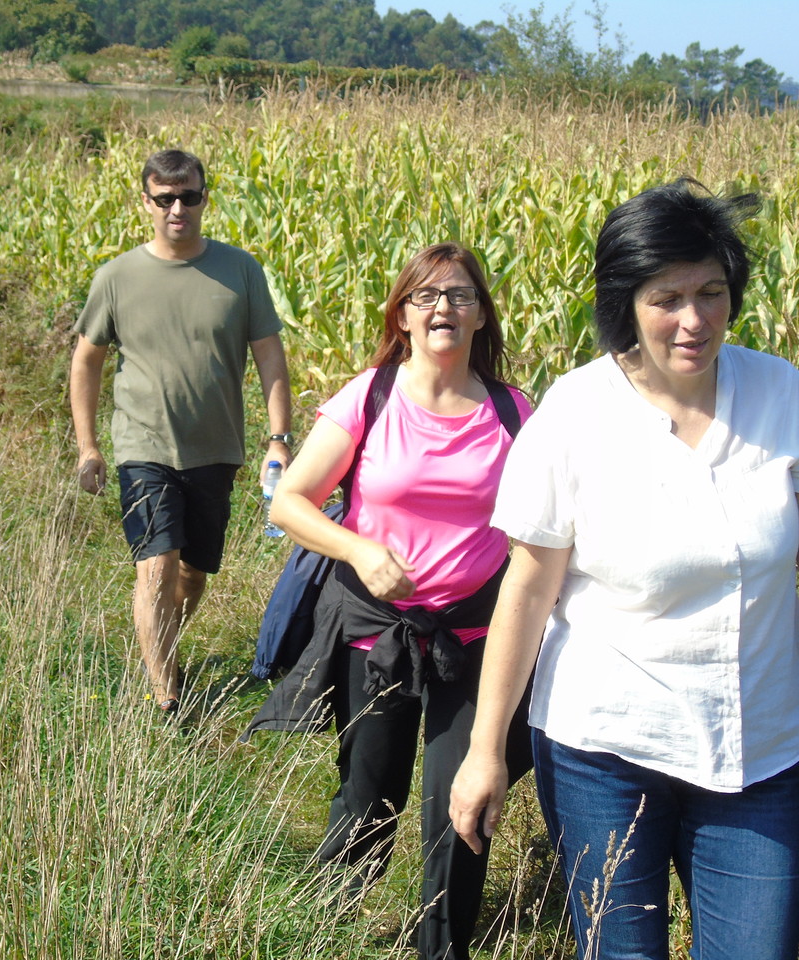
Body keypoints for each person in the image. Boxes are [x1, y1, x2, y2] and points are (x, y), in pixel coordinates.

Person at [449, 179, 799, 960]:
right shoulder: (575, 414)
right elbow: (529, 588)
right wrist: (484, 750)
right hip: (604, 748)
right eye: (667, 299)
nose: (694, 320)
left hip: (759, 748)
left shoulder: (789, 399)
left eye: (711, 292)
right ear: (627, 303)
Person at [247, 243, 532, 960]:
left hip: (474, 638)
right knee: (367, 801)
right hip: (376, 634)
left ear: (481, 314)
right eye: (425, 296)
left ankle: (444, 947)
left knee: (462, 808)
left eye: (460, 295)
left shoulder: (512, 412)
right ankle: (320, 930)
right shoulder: (370, 397)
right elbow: (289, 501)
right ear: (402, 315)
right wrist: (360, 551)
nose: (443, 308)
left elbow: (546, 529)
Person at [69, 149, 292, 714]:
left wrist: (279, 438)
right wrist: (89, 447)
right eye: (165, 199)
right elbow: (86, 361)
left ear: (203, 199)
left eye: (188, 197)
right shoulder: (116, 277)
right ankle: (166, 696)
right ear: (145, 202)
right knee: (156, 564)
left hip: (215, 449)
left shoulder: (240, 271)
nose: (177, 209)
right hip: (143, 444)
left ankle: (162, 645)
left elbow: (269, 356)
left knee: (192, 574)